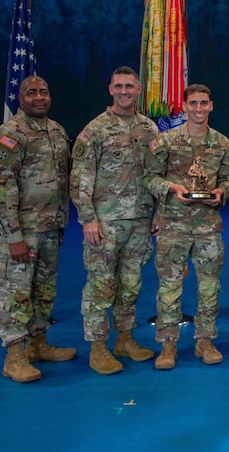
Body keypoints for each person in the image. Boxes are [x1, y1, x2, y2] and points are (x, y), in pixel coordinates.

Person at [70, 66, 158, 375]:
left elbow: (156, 175)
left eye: (129, 86)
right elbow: (80, 178)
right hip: (105, 223)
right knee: (100, 286)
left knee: (131, 284)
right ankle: (97, 349)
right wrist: (88, 219)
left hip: (139, 221)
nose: (124, 91)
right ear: (110, 89)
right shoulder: (95, 130)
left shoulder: (149, 129)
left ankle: (124, 339)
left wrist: (157, 211)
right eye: (119, 86)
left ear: (139, 89)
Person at [144, 84, 229, 370]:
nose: (198, 108)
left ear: (211, 106)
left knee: (209, 287)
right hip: (173, 225)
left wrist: (222, 193)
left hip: (208, 227)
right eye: (193, 103)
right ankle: (168, 344)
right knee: (169, 288)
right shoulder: (166, 141)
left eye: (203, 103)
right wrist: (171, 187)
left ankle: (204, 341)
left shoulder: (223, 144)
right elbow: (149, 177)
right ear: (184, 106)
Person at [0, 75, 76, 383]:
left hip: (50, 229)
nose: (39, 97)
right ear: (20, 97)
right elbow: (2, 190)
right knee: (16, 293)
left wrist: (61, 224)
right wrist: (13, 238)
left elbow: (62, 182)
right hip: (20, 233)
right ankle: (14, 355)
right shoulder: (10, 133)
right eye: (31, 93)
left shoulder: (56, 131)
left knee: (43, 290)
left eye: (43, 91)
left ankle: (39, 344)